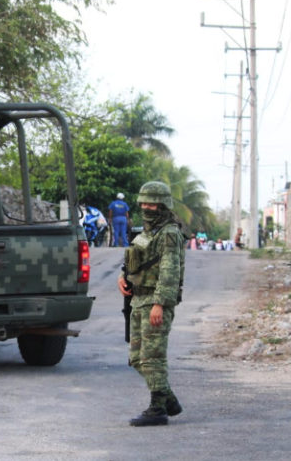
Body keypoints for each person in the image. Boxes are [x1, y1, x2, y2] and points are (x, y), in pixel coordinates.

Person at [117, 181, 185, 427]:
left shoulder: (169, 233)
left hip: (155, 302)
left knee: (153, 357)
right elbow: (138, 262)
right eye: (144, 202)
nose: (147, 207)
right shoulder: (147, 232)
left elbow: (169, 272)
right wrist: (124, 278)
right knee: (136, 358)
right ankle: (169, 400)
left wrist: (160, 304)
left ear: (162, 204)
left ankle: (158, 408)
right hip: (137, 300)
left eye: (152, 203)